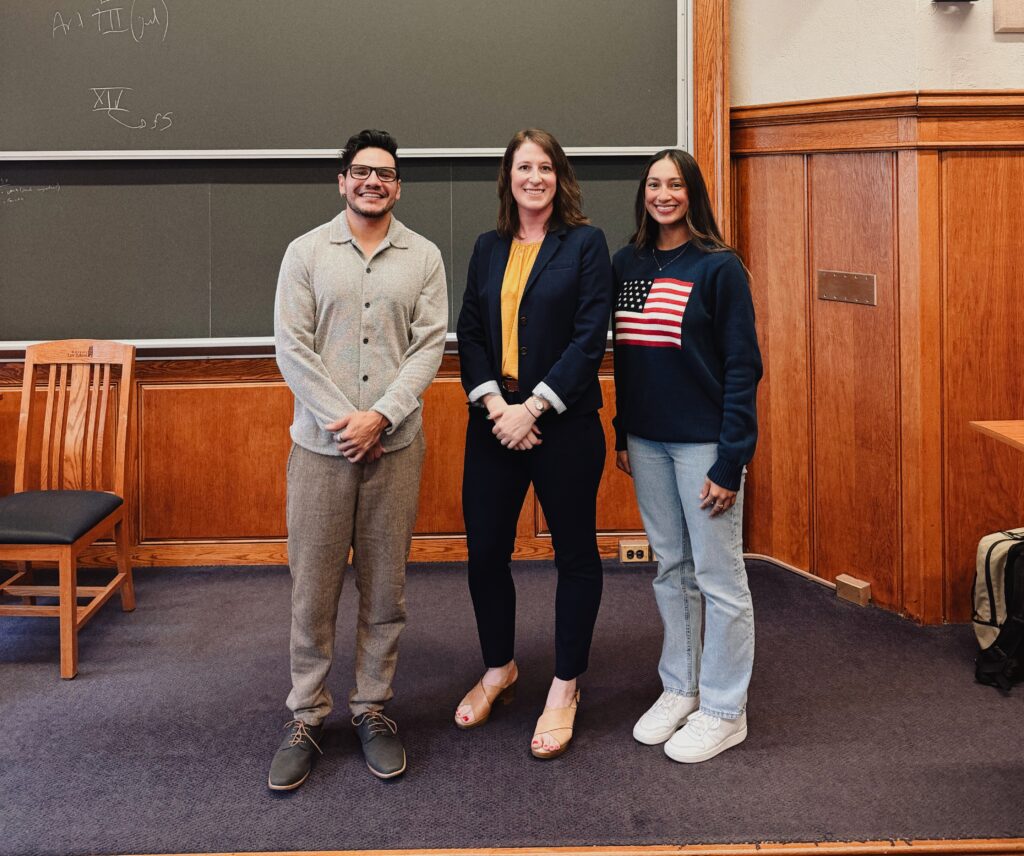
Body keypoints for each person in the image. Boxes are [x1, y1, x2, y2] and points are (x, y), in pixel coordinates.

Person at [268, 129, 447, 788]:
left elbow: (429, 346)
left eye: (387, 174)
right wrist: (345, 422)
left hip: (394, 448)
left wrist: (381, 418)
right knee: (312, 589)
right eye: (362, 172)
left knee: (385, 591)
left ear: (397, 187)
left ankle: (372, 708)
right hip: (320, 450)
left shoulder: (423, 257)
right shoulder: (305, 253)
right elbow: (292, 347)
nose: (374, 182)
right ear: (342, 181)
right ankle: (308, 715)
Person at [454, 128, 613, 759]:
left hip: (563, 424)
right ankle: (500, 670)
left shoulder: (586, 244)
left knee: (575, 556)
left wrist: (535, 407)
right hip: (494, 423)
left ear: (560, 177)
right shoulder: (487, 248)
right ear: (508, 178)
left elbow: (589, 335)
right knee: (486, 554)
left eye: (545, 167)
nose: (535, 178)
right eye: (524, 167)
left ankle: (566, 687)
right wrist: (498, 405)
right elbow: (469, 331)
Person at [612, 148, 762, 763]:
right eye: (654, 184)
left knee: (719, 578)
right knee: (670, 568)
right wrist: (623, 432)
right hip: (646, 441)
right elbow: (628, 356)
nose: (663, 194)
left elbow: (743, 367)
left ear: (692, 192)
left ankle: (726, 708)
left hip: (704, 444)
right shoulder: (629, 261)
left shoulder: (719, 267)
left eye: (675, 184)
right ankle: (682, 686)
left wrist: (731, 460)